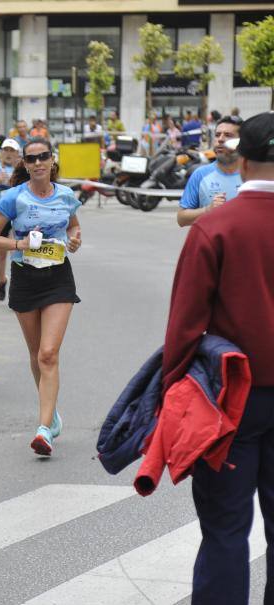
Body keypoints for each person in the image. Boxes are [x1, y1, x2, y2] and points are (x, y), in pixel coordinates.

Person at [160, 111, 274, 605]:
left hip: (232, 402)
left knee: (226, 529)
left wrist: (171, 398)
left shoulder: (217, 228)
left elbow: (185, 326)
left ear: (242, 161)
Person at [0, 136, 82, 456]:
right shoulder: (14, 198)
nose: (38, 163)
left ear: (52, 161)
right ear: (24, 164)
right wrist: (19, 245)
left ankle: (43, 430)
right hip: (25, 278)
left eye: (43, 157)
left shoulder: (66, 196)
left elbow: (73, 228)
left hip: (58, 277)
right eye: (31, 158)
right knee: (36, 352)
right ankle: (50, 412)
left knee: (48, 353)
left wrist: (74, 239)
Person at [177, 116, 243, 227]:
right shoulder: (201, 174)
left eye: (228, 135)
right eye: (217, 135)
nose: (220, 139)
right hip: (211, 243)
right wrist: (208, 209)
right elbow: (181, 219)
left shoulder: (253, 174)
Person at [0, 139, 22, 302]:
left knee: (16, 248)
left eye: (12, 150)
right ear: (1, 152)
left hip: (18, 213)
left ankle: (17, 283)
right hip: (0, 213)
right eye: (6, 150)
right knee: (1, 250)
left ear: (18, 153)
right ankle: (2, 279)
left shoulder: (22, 169)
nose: (9, 153)